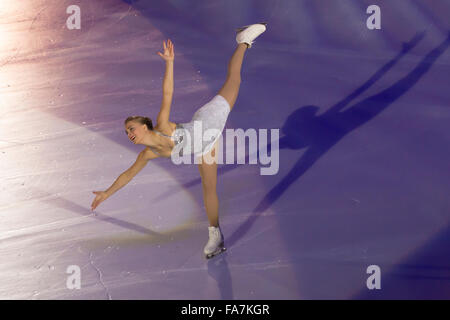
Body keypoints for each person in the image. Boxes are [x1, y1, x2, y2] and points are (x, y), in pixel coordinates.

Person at [91, 23, 267, 259]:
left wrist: (170, 63)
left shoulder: (162, 126)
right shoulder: (148, 154)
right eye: (127, 133)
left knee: (234, 80)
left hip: (208, 120)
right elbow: (128, 175)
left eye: (131, 129)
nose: (130, 134)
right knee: (209, 189)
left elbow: (167, 93)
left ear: (145, 126)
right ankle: (216, 235)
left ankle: (243, 41)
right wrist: (106, 193)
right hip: (204, 145)